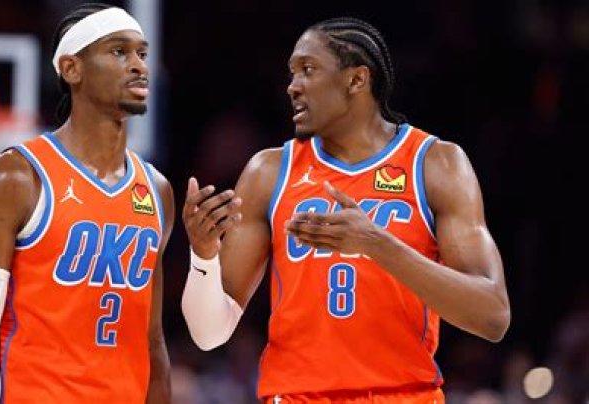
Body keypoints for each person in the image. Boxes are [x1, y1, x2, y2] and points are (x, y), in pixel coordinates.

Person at [181, 17, 510, 403]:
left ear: (356, 79)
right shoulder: (268, 172)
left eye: (308, 69)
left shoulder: (436, 164)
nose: (292, 86)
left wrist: (376, 244)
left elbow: (493, 315)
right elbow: (209, 334)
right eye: (291, 72)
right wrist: (203, 257)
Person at [0, 4, 173, 403]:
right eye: (119, 52)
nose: (139, 65)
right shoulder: (12, 177)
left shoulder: (157, 190)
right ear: (72, 69)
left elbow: (152, 341)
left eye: (142, 53)